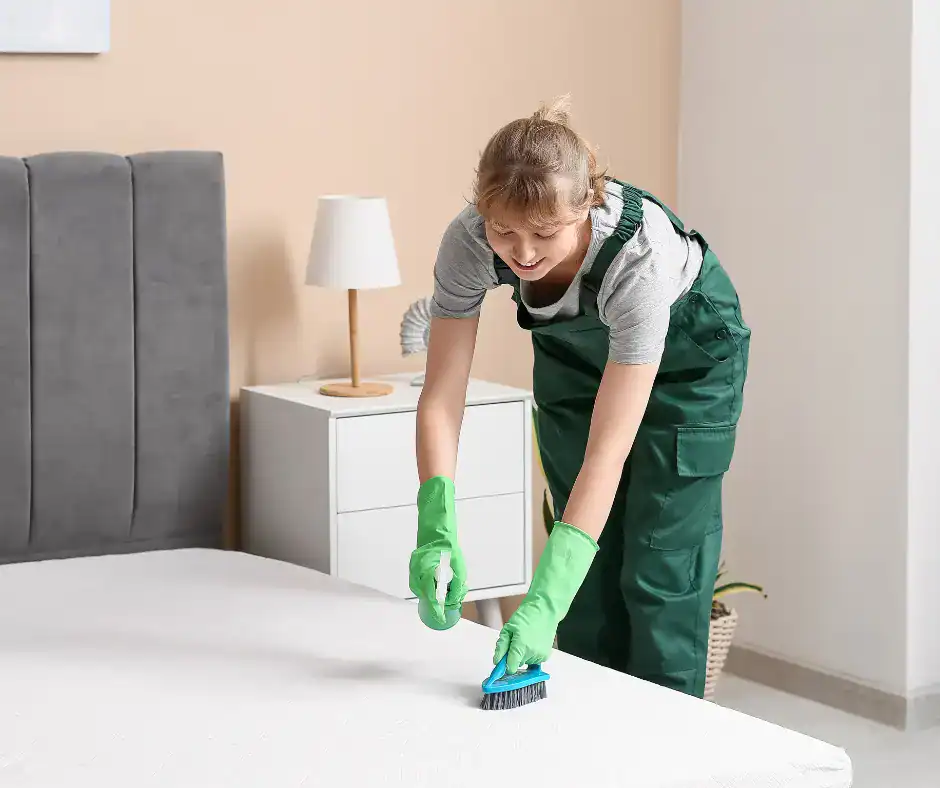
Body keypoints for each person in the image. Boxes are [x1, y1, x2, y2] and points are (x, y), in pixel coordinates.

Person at [409, 95, 750, 698]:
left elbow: (609, 452)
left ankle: (666, 751)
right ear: (481, 210)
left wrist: (540, 600)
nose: (522, 254)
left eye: (545, 233)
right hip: (576, 359)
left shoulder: (639, 259)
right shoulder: (466, 242)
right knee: (583, 574)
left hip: (689, 363)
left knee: (661, 562)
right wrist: (436, 525)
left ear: (586, 205)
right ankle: (591, 738)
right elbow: (441, 398)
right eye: (503, 231)